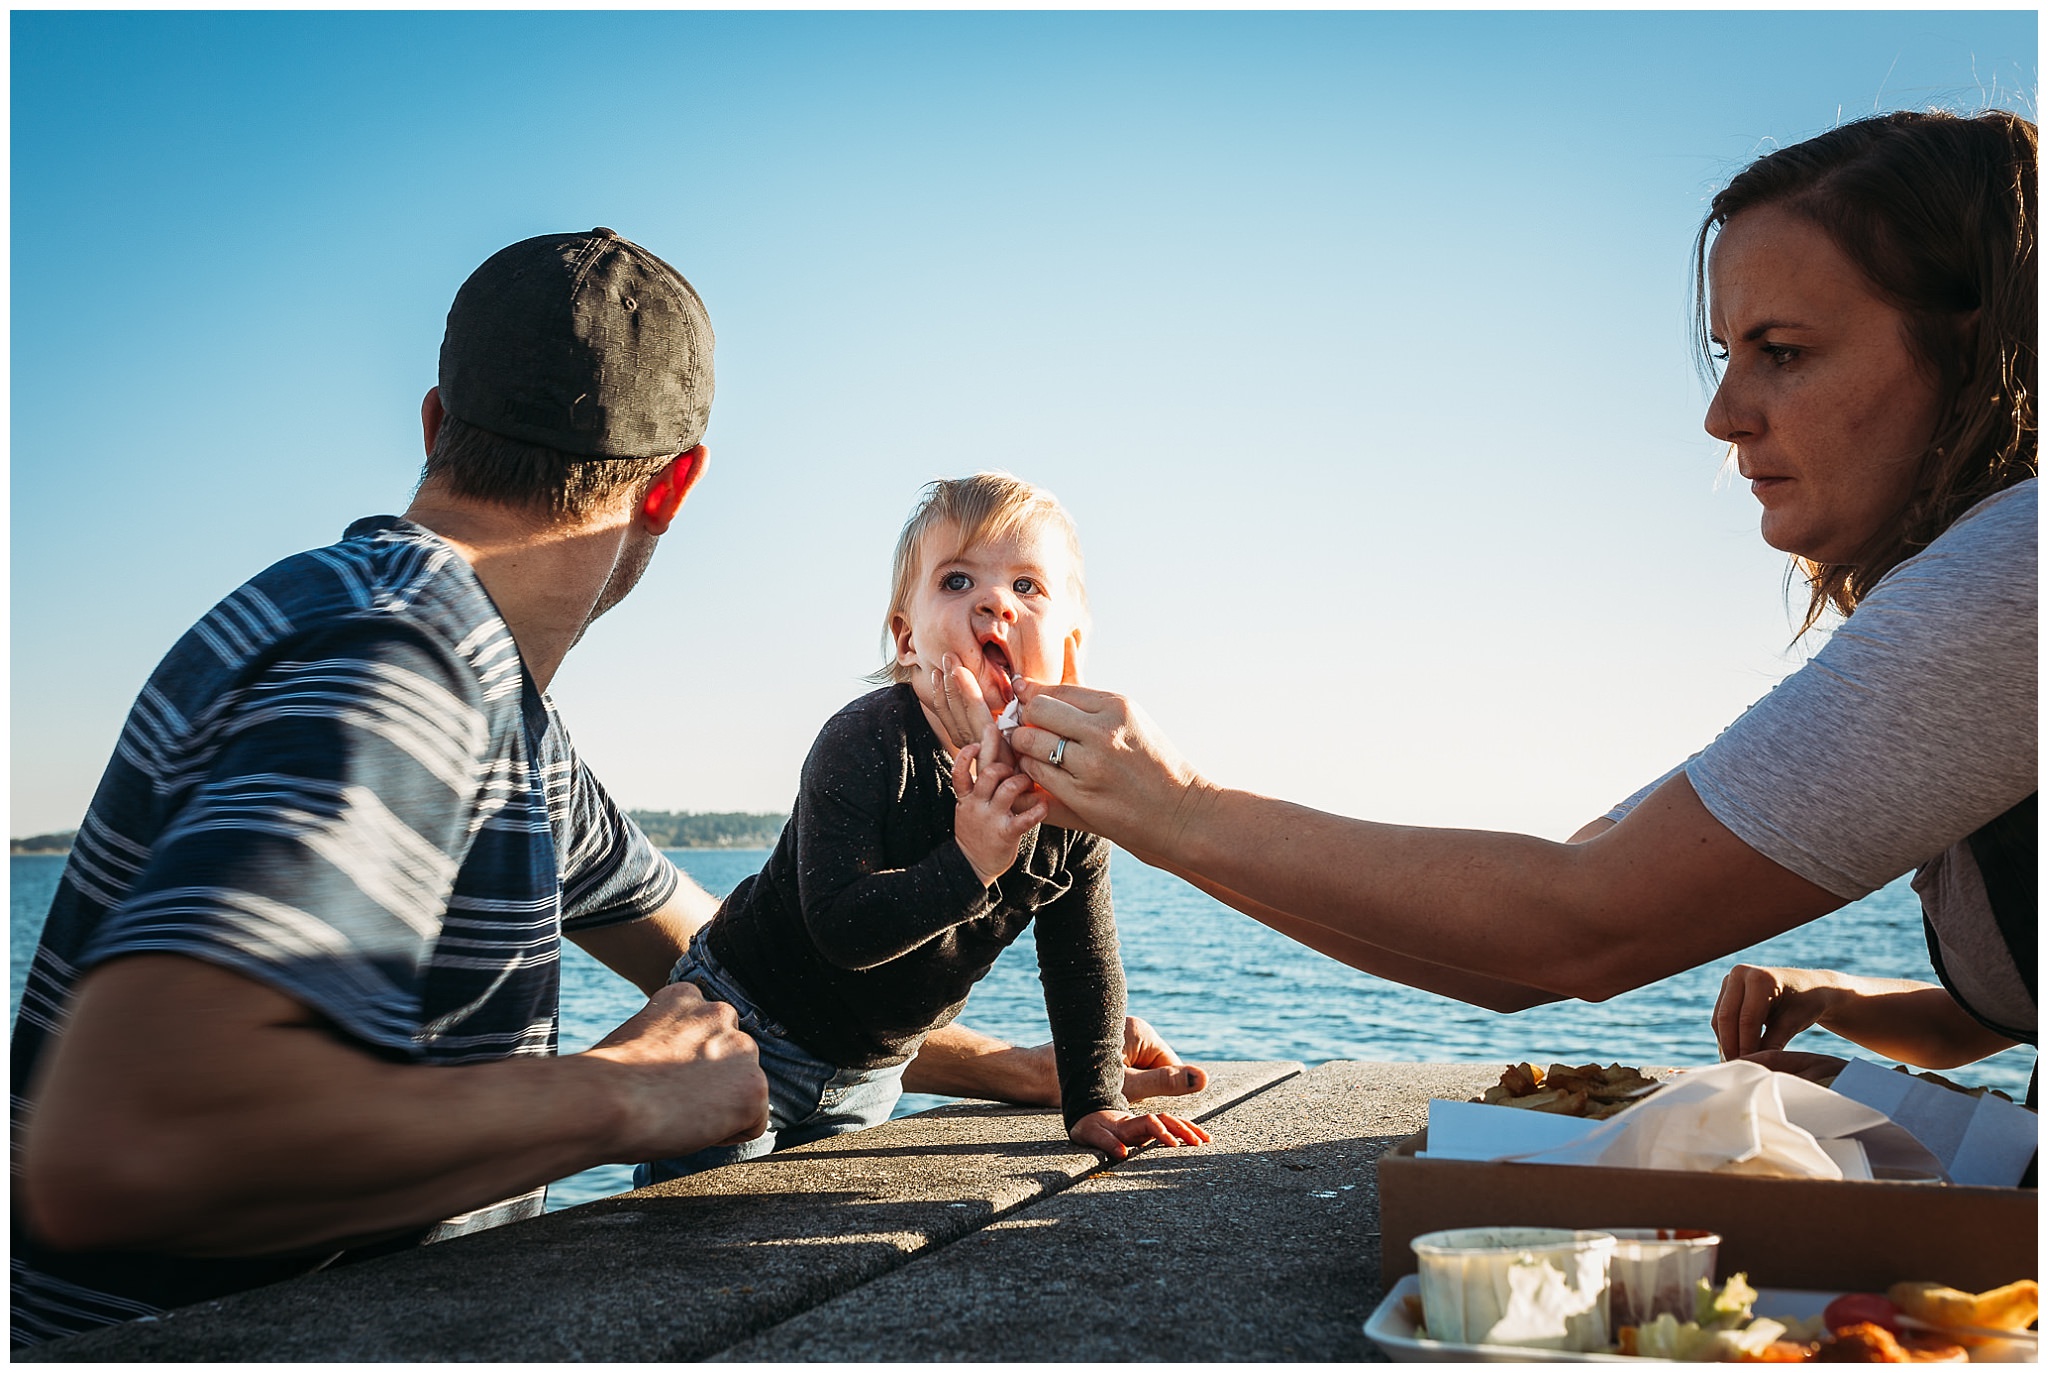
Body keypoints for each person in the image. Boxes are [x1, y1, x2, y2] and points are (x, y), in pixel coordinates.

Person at [11, 231, 1201, 1349]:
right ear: (673, 487)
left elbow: (752, 976)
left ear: (435, 425)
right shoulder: (400, 662)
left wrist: (1007, 1063)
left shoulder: (484, 712)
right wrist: (617, 1097)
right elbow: (123, 1147)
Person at [924, 110, 2037, 1084]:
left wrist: (1177, 807)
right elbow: (1523, 948)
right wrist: (1847, 999)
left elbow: (1573, 927)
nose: (1725, 412)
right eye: (1724, 352)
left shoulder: (2012, 573)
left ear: (1979, 347)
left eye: (1782, 351)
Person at [641, 474, 1210, 1184]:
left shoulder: (1067, 800)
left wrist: (1095, 1099)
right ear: (907, 639)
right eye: (958, 579)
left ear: (1070, 646)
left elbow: (1082, 958)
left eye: (1028, 586)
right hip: (743, 1024)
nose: (995, 600)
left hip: (873, 1069)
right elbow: (840, 928)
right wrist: (969, 861)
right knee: (695, 1228)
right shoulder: (866, 742)